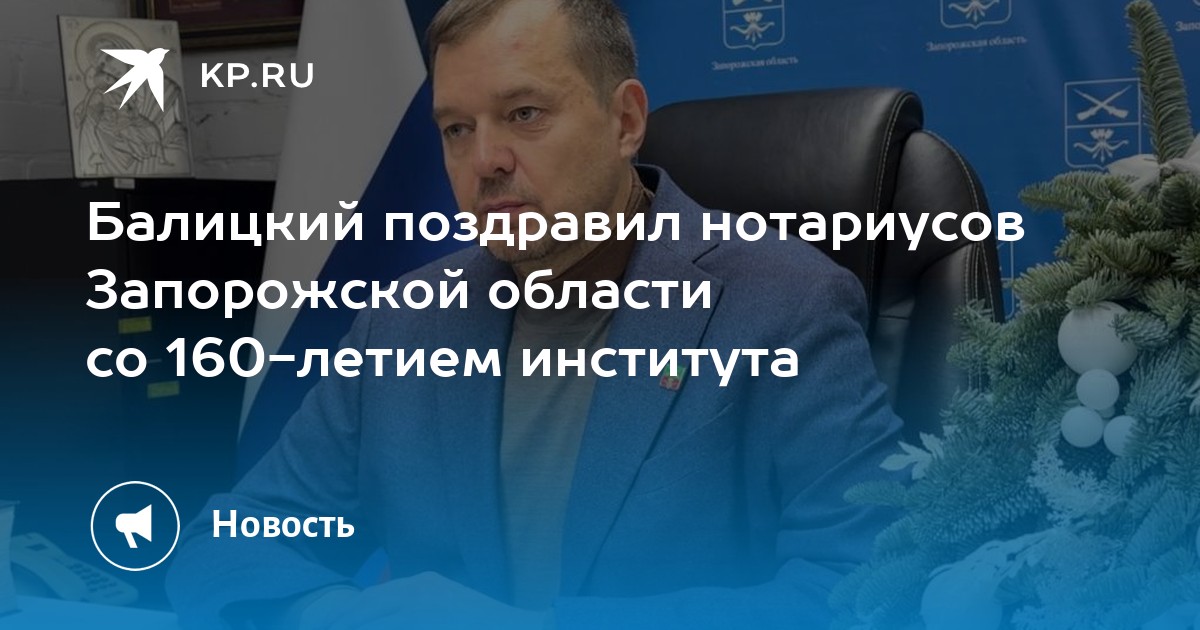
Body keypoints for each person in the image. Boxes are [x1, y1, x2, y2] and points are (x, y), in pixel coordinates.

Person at [166, 0, 904, 628]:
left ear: (625, 121)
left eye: (524, 114)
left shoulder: (786, 304)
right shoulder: (403, 322)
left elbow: (866, 588)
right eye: (457, 129)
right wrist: (332, 612)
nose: (485, 160)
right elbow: (225, 543)